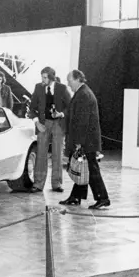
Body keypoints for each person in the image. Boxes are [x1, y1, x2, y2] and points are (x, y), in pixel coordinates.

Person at [60, 69, 110, 210]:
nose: (68, 84)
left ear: (77, 79)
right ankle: (76, 197)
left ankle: (103, 198)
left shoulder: (83, 95)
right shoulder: (83, 93)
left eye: (69, 81)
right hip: (87, 140)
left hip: (87, 141)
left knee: (91, 169)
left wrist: (78, 143)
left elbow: (82, 122)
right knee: (82, 168)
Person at [30, 66, 71, 193]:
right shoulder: (38, 87)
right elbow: (31, 108)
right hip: (43, 124)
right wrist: (37, 123)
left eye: (45, 77)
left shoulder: (62, 88)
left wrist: (61, 114)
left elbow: (70, 107)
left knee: (57, 154)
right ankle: (38, 184)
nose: (42, 79)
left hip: (58, 124)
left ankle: (57, 184)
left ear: (52, 77)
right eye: (42, 77)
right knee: (41, 154)